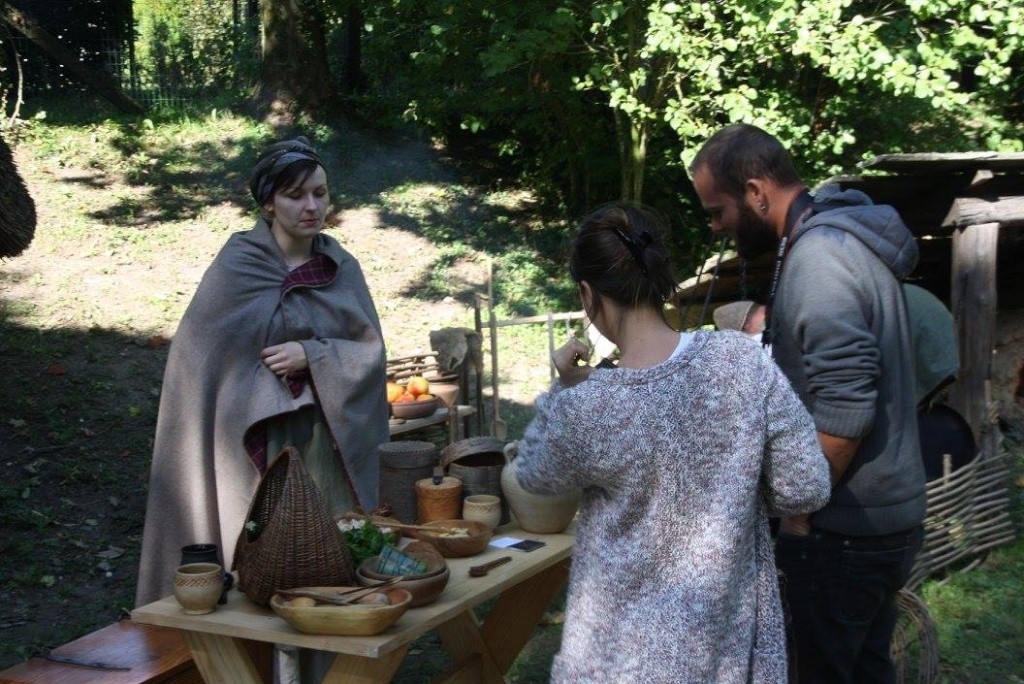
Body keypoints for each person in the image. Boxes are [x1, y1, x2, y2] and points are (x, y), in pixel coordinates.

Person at [513, 203, 831, 683]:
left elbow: (533, 473)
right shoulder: (740, 363)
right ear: (661, 276)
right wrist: (737, 490)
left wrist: (565, 384)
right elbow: (806, 487)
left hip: (615, 658)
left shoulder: (589, 404)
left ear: (588, 294)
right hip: (724, 648)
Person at [690, 123, 927, 683]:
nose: (719, 227)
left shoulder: (820, 257)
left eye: (718, 210)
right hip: (876, 523)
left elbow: (846, 407)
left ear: (755, 191)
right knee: (867, 670)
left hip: (845, 530)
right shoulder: (825, 243)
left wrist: (798, 512)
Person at [135, 137, 389, 606]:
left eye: (320, 193)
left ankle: (326, 661)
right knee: (260, 551)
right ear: (269, 202)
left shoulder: (340, 267)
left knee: (323, 553)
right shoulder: (237, 267)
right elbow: (200, 364)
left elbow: (370, 352)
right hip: (248, 444)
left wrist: (312, 356)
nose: (311, 207)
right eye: (295, 196)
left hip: (320, 440)